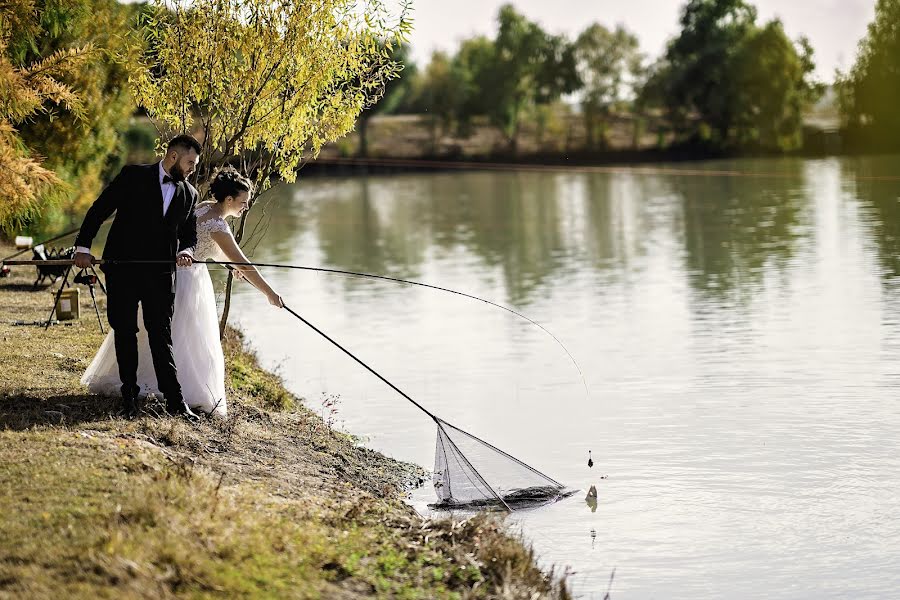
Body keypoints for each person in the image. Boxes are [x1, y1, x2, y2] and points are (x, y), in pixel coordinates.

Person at [81, 166, 284, 418]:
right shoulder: (218, 224)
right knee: (184, 338)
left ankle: (135, 381)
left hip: (168, 273)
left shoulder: (201, 206)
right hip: (189, 282)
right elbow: (242, 261)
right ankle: (174, 389)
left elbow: (202, 248)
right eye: (243, 202)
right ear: (229, 200)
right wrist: (269, 293)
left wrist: (227, 265)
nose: (246, 206)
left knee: (155, 331)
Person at [75, 134, 202, 419]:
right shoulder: (133, 176)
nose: (193, 168)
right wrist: (83, 247)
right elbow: (99, 210)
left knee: (161, 334)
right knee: (125, 331)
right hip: (123, 271)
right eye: (190, 162)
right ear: (173, 156)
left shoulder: (190, 195)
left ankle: (174, 401)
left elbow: (189, 235)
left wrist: (187, 251)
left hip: (160, 275)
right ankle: (129, 395)